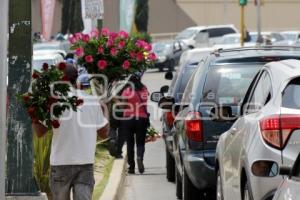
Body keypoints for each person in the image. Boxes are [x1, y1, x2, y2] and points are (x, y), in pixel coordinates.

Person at [32, 63, 109, 200]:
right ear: (76, 80)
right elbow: (104, 133)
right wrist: (106, 110)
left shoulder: (52, 101)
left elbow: (39, 132)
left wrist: (34, 113)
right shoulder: (91, 100)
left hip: (60, 163)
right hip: (85, 163)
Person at [119, 72, 149, 174]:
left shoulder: (127, 91)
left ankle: (131, 167)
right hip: (142, 119)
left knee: (130, 144)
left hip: (128, 119)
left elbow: (122, 107)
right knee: (140, 143)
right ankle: (140, 157)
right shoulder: (144, 89)